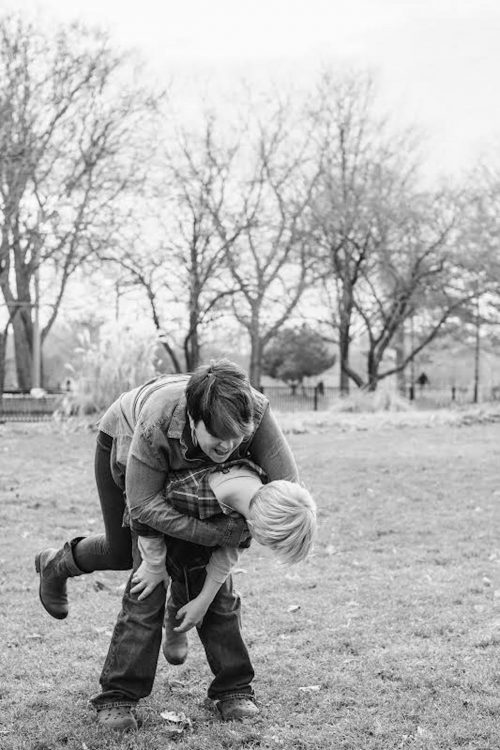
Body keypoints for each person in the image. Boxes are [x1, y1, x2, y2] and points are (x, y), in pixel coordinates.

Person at [35, 360, 301, 728]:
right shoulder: (157, 421)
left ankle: (234, 688)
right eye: (218, 436)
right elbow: (142, 505)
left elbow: (280, 498)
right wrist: (178, 552)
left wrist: (229, 544)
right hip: (125, 445)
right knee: (131, 562)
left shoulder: (254, 415)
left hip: (204, 484)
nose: (228, 445)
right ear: (194, 420)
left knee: (210, 582)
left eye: (237, 438)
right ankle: (117, 690)